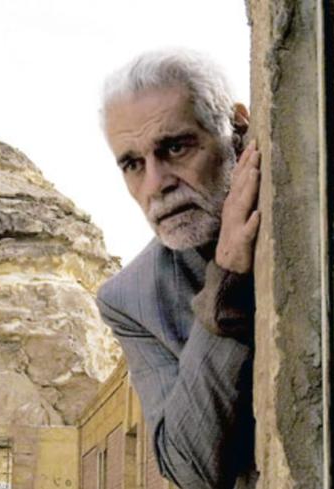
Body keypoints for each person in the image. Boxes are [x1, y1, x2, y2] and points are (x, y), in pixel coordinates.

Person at [96, 49, 260, 489]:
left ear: (236, 129)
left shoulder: (297, 200)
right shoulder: (128, 300)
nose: (156, 185)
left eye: (175, 148)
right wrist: (226, 280)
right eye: (133, 164)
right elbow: (191, 471)